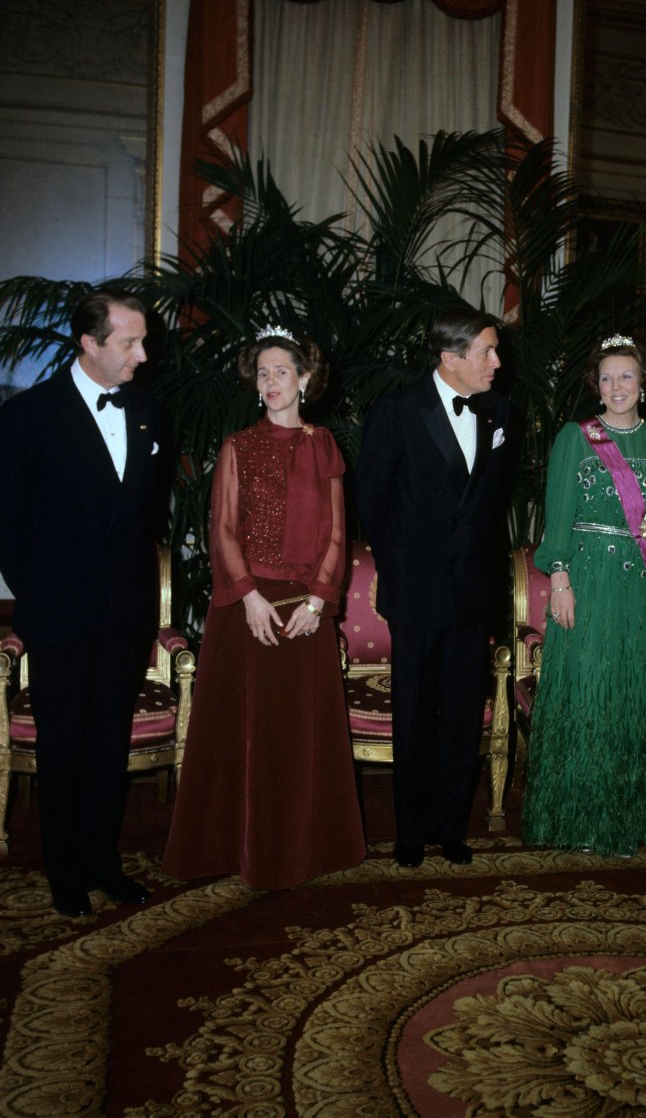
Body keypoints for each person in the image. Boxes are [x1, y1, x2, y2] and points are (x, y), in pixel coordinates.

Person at [0, 290, 163, 918]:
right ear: (89, 343)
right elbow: (0, 515)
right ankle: (64, 872)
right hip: (58, 611)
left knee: (108, 742)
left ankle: (101, 862)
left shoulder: (146, 410)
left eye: (143, 341)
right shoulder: (29, 414)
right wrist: (37, 592)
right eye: (130, 342)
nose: (143, 354)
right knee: (63, 744)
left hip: (125, 610)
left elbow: (142, 514)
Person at [163, 328, 365, 889]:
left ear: (305, 379)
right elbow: (223, 529)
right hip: (246, 607)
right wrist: (249, 595)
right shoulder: (238, 446)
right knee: (241, 732)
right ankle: (235, 849)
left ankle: (302, 851)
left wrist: (318, 602)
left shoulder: (325, 445)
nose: (272, 381)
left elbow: (337, 534)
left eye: (282, 371)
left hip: (306, 611)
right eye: (263, 373)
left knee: (299, 736)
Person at [521, 333, 646, 856]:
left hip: (640, 587)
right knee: (587, 694)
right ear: (596, 386)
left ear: (644, 382)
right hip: (587, 581)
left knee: (630, 698)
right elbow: (558, 518)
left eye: (627, 376)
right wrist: (561, 581)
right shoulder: (576, 437)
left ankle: (621, 822)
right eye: (607, 377)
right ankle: (575, 820)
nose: (617, 386)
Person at [355, 307, 510, 868]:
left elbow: (492, 505)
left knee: (463, 715)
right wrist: (401, 571)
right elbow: (371, 501)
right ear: (451, 357)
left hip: (473, 590)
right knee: (415, 713)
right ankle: (411, 831)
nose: (497, 361)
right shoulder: (397, 410)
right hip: (417, 591)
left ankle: (450, 828)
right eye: (487, 351)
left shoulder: (499, 410)